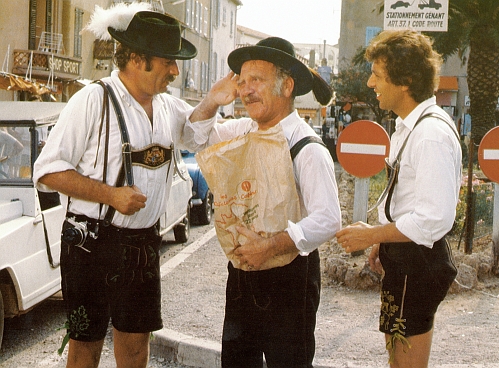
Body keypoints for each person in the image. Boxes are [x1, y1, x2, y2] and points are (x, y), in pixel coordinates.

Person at [33, 3, 197, 367]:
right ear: (137, 59)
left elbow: (206, 132)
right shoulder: (92, 100)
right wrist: (110, 195)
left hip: (143, 244)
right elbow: (46, 171)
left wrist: (219, 99)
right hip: (92, 245)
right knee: (85, 347)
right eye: (168, 60)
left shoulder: (170, 108)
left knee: (137, 347)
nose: (175, 70)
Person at [183, 36, 342, 367]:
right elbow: (192, 138)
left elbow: (328, 219)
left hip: (290, 280)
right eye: (242, 81)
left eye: (256, 80)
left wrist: (270, 246)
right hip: (242, 276)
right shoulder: (242, 130)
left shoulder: (308, 147)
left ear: (286, 87)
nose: (245, 89)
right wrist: (213, 101)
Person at [336, 30, 461, 368]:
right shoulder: (411, 127)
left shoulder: (430, 135)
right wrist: (384, 240)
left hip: (418, 264)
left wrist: (372, 235)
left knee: (406, 364)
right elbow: (406, 199)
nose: (369, 82)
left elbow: (433, 218)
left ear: (405, 80)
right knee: (397, 357)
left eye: (377, 73)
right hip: (406, 259)